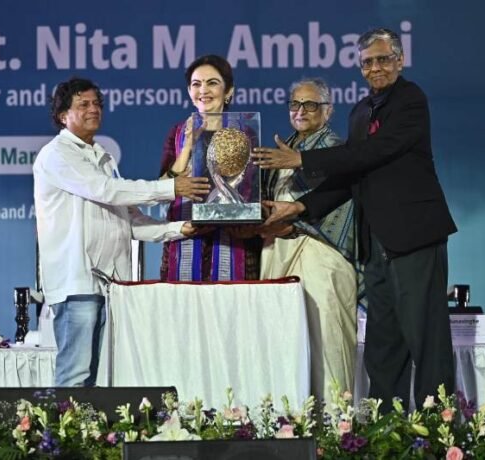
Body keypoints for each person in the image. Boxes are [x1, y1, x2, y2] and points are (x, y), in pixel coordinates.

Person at [252, 28, 456, 412]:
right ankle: (386, 425)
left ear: (399, 60)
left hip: (413, 236)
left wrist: (303, 160)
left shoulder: (410, 99)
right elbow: (351, 177)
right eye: (367, 62)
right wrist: (299, 208)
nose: (375, 68)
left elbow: (376, 152)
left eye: (383, 59)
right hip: (374, 242)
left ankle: (439, 427)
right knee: (383, 343)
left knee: (426, 339)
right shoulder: (360, 111)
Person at [33, 77, 210, 386]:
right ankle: (61, 422)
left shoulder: (102, 156)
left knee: (99, 378)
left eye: (97, 103)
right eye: (83, 104)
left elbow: (129, 220)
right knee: (74, 375)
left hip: (109, 283)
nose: (93, 109)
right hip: (78, 282)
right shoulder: (57, 154)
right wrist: (172, 188)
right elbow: (106, 190)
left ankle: (85, 421)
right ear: (63, 116)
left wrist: (179, 229)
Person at [259, 77, 362, 404]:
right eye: (295, 104)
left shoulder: (337, 151)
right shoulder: (283, 150)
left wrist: (295, 226)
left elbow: (342, 204)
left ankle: (335, 424)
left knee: (327, 339)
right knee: (283, 340)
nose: (301, 111)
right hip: (279, 251)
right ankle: (289, 421)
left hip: (322, 254)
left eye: (311, 105)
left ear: (328, 110)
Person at [159, 54, 262, 281]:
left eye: (212, 83)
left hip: (235, 243)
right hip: (186, 236)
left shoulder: (246, 134)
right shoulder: (178, 133)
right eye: (196, 84)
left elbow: (250, 192)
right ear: (189, 91)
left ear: (228, 91)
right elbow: (162, 188)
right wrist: (188, 146)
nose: (203, 90)